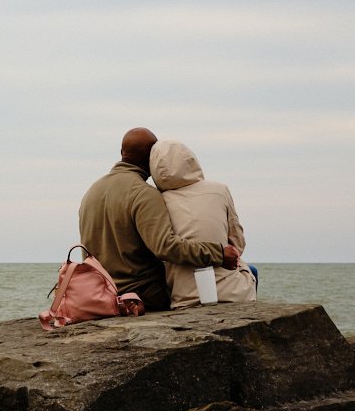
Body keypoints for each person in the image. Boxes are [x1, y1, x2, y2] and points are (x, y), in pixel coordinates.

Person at [78, 127, 231, 311]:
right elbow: (166, 247)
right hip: (145, 296)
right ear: (152, 158)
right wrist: (219, 253)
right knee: (248, 273)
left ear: (121, 152)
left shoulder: (91, 193)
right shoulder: (143, 193)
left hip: (102, 294)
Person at [149, 138, 257, 306]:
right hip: (234, 291)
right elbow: (238, 245)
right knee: (252, 271)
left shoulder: (157, 201)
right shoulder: (219, 190)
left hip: (186, 297)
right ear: (190, 160)